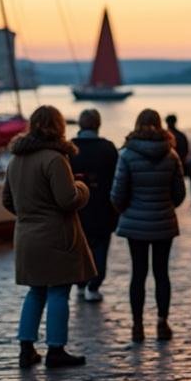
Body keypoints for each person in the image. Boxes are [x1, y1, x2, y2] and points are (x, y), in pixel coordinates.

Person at [2, 106, 93, 369]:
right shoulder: (54, 159)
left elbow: (7, 200)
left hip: (26, 235)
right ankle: (56, 349)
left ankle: (26, 348)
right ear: (58, 126)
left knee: (36, 291)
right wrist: (82, 188)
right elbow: (67, 199)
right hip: (55, 235)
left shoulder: (16, 159)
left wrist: (28, 214)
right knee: (59, 291)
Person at [110, 109, 186, 343]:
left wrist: (127, 210)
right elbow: (180, 194)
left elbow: (117, 193)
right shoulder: (171, 154)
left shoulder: (127, 155)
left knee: (138, 274)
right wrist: (165, 206)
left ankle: (137, 326)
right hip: (163, 222)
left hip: (135, 223)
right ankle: (163, 323)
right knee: (162, 273)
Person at [69, 109, 118, 304]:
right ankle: (94, 285)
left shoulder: (69, 148)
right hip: (103, 208)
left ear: (80, 125)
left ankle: (80, 284)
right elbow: (117, 180)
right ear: (98, 125)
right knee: (100, 247)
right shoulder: (108, 148)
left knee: (79, 247)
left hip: (75, 209)